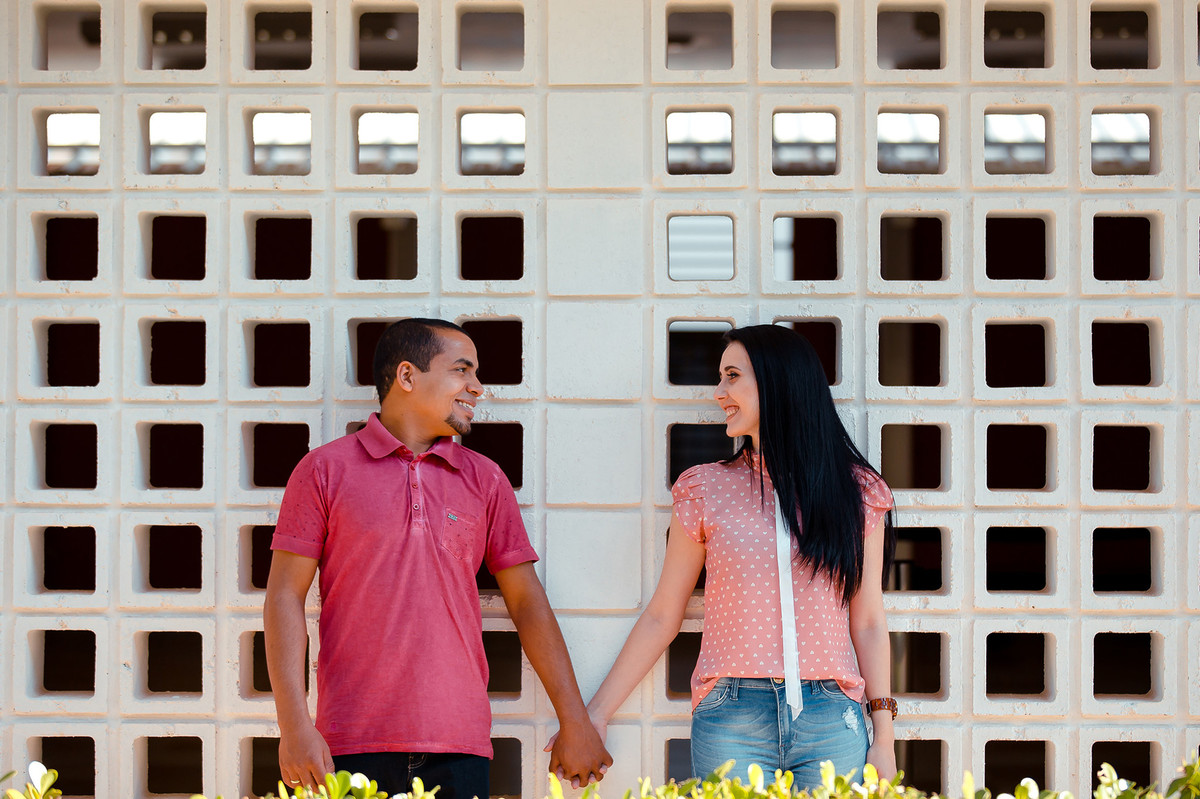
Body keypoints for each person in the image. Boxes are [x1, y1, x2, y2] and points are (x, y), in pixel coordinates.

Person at [265, 318, 611, 798]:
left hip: (459, 743)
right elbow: (284, 596)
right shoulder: (323, 470)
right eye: (462, 370)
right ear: (407, 376)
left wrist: (575, 720)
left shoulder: (485, 478)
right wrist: (293, 726)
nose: (477, 387)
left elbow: (526, 602)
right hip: (348, 742)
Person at [551, 324, 897, 788]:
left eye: (732, 376)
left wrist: (884, 737)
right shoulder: (704, 488)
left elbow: (868, 620)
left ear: (778, 380)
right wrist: (595, 714)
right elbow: (662, 614)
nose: (719, 393)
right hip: (732, 714)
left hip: (832, 715)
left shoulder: (858, 492)